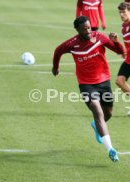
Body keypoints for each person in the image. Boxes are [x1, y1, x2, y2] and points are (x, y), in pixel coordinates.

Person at [52, 16, 125, 162]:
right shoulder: (72, 44)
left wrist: (116, 41)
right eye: (84, 29)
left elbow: (119, 51)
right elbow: (58, 51)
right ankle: (110, 149)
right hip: (86, 84)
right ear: (78, 30)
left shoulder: (99, 37)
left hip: (103, 81)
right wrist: (55, 67)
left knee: (108, 113)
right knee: (97, 111)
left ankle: (96, 126)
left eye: (89, 27)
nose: (88, 31)